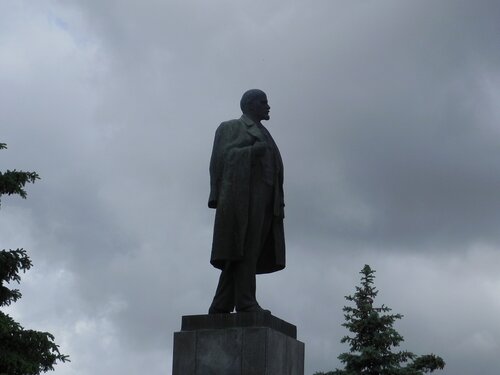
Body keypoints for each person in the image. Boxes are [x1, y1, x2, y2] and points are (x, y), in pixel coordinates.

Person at [208, 89, 285, 314]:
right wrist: (252, 152)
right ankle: (246, 302)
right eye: (263, 102)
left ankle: (221, 305)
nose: (268, 106)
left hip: (266, 201)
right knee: (244, 251)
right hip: (243, 198)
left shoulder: (266, 132)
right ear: (250, 105)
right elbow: (220, 161)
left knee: (244, 253)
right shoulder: (231, 127)